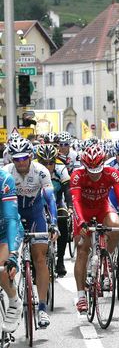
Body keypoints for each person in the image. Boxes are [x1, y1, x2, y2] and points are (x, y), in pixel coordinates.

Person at [71, 144, 119, 313]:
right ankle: (81, 296)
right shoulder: (77, 175)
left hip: (102, 208)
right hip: (83, 211)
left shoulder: (112, 173)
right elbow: (75, 201)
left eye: (97, 170)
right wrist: (81, 222)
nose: (94, 174)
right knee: (82, 249)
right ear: (84, 165)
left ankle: (107, 258)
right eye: (90, 170)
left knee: (115, 225)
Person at [4, 138, 59, 328]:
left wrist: (54, 223)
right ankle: (13, 296)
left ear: (30, 157)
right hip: (14, 213)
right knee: (8, 256)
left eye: (24, 158)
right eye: (17, 159)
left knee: (40, 258)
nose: (21, 162)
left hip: (36, 213)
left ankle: (42, 308)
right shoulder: (6, 172)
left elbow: (50, 198)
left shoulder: (41, 171)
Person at [35, 144, 72, 277]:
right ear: (38, 161)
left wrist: (71, 207)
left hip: (56, 201)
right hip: (37, 203)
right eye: (44, 163)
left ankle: (60, 260)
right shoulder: (33, 168)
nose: (48, 166)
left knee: (63, 221)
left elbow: (67, 190)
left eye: (51, 163)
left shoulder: (61, 168)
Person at [0, 166, 24, 333]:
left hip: (5, 233)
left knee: (1, 267)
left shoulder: (4, 180)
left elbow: (10, 220)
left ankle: (14, 302)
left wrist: (14, 255)